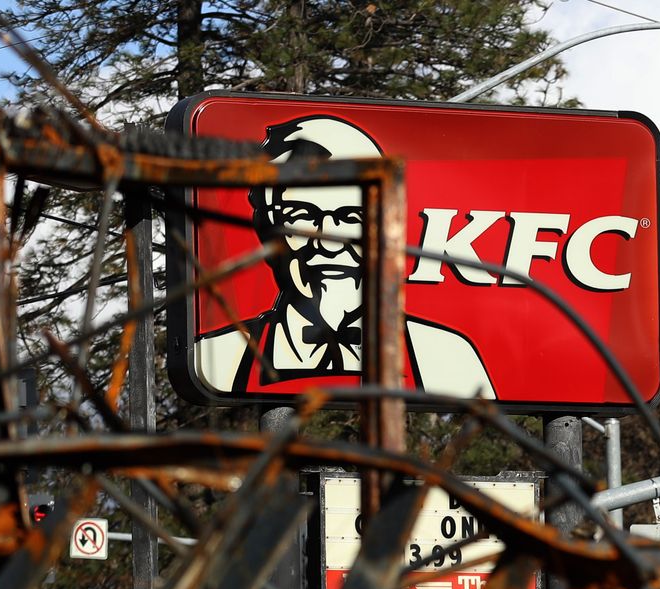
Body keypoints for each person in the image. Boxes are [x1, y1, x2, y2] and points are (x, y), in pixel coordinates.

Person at [195, 115, 496, 399]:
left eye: (352, 216)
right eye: (303, 215)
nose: (329, 242)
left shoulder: (448, 358)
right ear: (268, 229)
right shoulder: (217, 359)